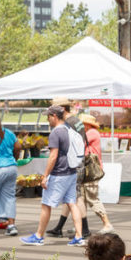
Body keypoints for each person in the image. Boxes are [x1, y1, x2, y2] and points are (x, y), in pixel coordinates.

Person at [21, 104, 85, 246]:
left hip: (59, 173)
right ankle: (79, 236)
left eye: (48, 116)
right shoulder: (69, 129)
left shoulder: (56, 132)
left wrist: (45, 176)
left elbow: (53, 156)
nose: (47, 119)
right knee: (72, 203)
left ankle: (39, 236)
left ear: (54, 116)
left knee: (46, 204)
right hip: (71, 171)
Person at [47, 98, 92, 238]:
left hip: (72, 163)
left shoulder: (68, 124)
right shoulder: (76, 121)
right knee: (70, 196)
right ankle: (59, 227)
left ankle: (84, 230)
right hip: (79, 160)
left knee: (76, 198)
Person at [79, 113, 115, 234]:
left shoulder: (91, 133)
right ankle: (81, 225)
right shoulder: (91, 132)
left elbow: (79, 144)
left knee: (92, 198)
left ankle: (107, 223)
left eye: (81, 124)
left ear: (87, 124)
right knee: (82, 198)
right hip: (87, 170)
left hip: (91, 171)